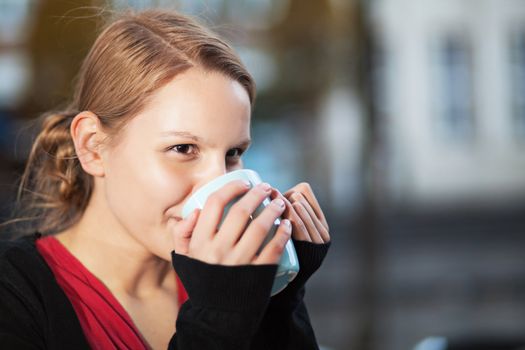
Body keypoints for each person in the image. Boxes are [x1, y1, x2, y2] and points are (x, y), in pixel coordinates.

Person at [0, 8, 331, 350]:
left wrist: (279, 304)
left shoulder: (234, 280)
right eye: (183, 148)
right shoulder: (14, 294)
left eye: (233, 153)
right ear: (93, 147)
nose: (219, 183)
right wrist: (216, 320)